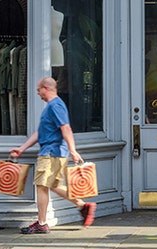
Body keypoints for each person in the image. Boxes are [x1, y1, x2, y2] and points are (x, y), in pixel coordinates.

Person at [8, 77, 95, 233]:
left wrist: (73, 150)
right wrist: (22, 148)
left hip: (51, 153)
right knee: (52, 186)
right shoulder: (51, 107)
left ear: (46, 88)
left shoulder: (56, 106)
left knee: (42, 186)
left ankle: (41, 223)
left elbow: (66, 128)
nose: (38, 94)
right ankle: (82, 206)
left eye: (38, 90)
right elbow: (39, 133)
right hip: (52, 152)